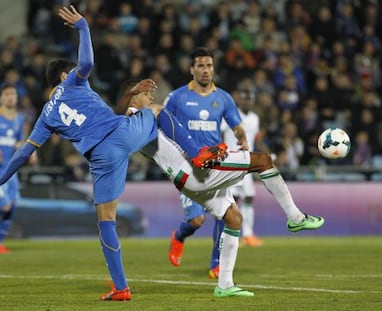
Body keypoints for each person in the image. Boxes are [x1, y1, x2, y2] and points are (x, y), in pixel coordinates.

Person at [0, 6, 225, 301]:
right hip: (121, 133)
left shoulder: (45, 117)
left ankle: (121, 287)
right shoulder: (72, 81)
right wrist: (84, 26)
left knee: (106, 220)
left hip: (101, 157)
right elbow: (86, 62)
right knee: (157, 110)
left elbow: (23, 153)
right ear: (64, 74)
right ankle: (198, 155)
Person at [126, 89, 325, 297]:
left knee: (234, 218)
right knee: (264, 161)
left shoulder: (135, 128)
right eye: (145, 94)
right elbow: (157, 111)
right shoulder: (139, 118)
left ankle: (225, 285)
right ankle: (295, 217)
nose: (150, 98)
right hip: (198, 170)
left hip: (185, 181)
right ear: (133, 98)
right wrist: (194, 152)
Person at [164, 47, 249, 279]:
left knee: (225, 215)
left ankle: (216, 263)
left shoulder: (223, 98)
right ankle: (179, 236)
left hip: (215, 166)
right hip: (187, 167)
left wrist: (242, 138)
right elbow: (161, 123)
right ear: (192, 70)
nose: (205, 70)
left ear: (213, 69)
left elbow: (236, 125)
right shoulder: (177, 97)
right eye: (200, 66)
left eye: (209, 65)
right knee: (197, 219)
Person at [0, 84, 26, 253]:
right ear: (1, 97)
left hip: (9, 170)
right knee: (5, 207)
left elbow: (17, 141)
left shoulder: (19, 118)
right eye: (7, 94)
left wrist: (25, 148)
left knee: (13, 204)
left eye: (13, 94)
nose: (10, 97)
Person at [222, 89, 263, 247]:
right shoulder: (230, 116)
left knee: (249, 197)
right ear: (239, 99)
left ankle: (247, 234)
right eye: (245, 98)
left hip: (247, 163)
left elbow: (255, 140)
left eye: (250, 98)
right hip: (230, 163)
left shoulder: (254, 118)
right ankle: (231, 234)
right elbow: (219, 136)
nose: (248, 101)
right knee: (231, 200)